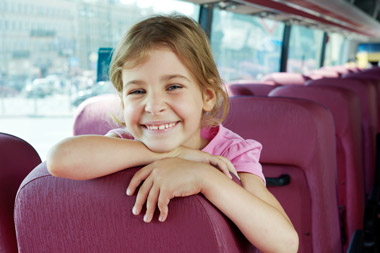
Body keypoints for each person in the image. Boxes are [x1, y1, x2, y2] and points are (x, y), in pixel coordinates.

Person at [47, 14, 298, 252]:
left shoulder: (232, 154)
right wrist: (175, 154)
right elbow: (59, 159)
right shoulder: (124, 144)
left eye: (173, 87)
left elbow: (285, 244)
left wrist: (205, 178)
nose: (154, 105)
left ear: (207, 96)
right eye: (137, 92)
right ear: (124, 104)